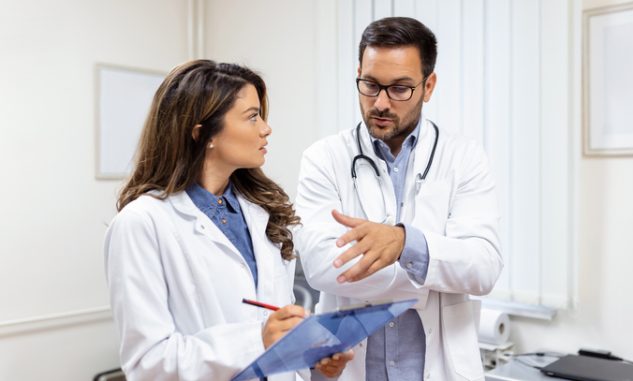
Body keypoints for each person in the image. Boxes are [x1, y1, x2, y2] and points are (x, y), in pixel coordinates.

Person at [104, 60, 352, 381]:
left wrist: (314, 361)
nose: (266, 128)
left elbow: (279, 334)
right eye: (252, 117)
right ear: (203, 134)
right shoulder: (142, 224)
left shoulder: (263, 212)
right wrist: (257, 340)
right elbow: (148, 363)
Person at [294, 17, 503, 381]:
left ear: (429, 85)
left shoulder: (465, 158)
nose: (381, 103)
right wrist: (430, 266)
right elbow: (323, 268)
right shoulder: (323, 158)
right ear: (358, 73)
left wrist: (405, 243)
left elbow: (484, 268)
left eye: (400, 89)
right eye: (370, 85)